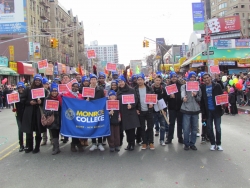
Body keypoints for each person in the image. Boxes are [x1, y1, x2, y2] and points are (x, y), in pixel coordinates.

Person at [21, 74, 49, 154]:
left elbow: (47, 101)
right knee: (28, 131)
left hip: (38, 112)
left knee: (38, 130)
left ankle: (37, 147)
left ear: (41, 82)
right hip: (29, 112)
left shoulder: (44, 90)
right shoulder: (28, 89)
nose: (37, 82)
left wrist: (41, 102)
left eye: (39, 80)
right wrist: (29, 102)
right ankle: (29, 146)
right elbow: (22, 99)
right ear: (34, 81)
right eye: (36, 80)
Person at [200, 73, 224, 151]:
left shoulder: (217, 86)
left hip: (216, 110)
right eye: (204, 78)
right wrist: (203, 113)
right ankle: (213, 143)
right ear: (203, 80)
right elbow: (202, 102)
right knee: (209, 128)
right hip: (208, 111)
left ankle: (219, 143)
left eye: (207, 77)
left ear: (210, 78)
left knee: (218, 128)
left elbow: (221, 96)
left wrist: (223, 105)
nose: (206, 79)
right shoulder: (202, 87)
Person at [117, 75, 140, 151]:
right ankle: (128, 143)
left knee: (131, 129)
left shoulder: (131, 90)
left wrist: (132, 105)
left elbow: (136, 99)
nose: (121, 83)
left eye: (122, 81)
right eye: (119, 82)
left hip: (131, 112)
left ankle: (132, 143)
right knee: (126, 129)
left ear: (125, 82)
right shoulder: (118, 91)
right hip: (123, 112)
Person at [181, 72, 202, 151]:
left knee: (194, 128)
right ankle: (186, 143)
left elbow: (199, 98)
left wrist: (196, 95)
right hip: (186, 109)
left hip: (195, 110)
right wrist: (184, 98)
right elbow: (182, 94)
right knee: (186, 128)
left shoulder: (198, 88)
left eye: (194, 77)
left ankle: (192, 143)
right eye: (191, 77)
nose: (192, 78)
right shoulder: (184, 86)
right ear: (188, 78)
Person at [135, 73, 155, 150]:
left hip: (149, 111)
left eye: (141, 80)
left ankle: (151, 142)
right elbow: (134, 101)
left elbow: (154, 98)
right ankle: (144, 143)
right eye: (138, 80)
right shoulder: (135, 89)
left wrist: (152, 103)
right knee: (142, 128)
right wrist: (136, 109)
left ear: (144, 80)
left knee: (150, 127)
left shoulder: (149, 88)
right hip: (140, 111)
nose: (139, 81)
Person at [63, 82, 84, 152]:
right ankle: (77, 144)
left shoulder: (80, 96)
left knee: (78, 129)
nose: (75, 88)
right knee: (73, 129)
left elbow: (83, 104)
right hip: (71, 115)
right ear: (71, 87)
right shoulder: (66, 94)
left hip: (78, 115)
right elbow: (61, 101)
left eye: (77, 87)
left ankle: (74, 143)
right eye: (74, 86)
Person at [87, 74, 106, 151]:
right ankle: (94, 143)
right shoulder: (86, 89)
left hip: (99, 110)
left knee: (99, 126)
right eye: (92, 79)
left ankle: (100, 143)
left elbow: (103, 100)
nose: (93, 81)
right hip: (90, 111)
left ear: (96, 80)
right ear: (90, 81)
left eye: (95, 79)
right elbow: (83, 100)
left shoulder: (100, 89)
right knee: (92, 127)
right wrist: (86, 100)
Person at [43, 83, 62, 155]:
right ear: (50, 92)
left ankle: (56, 147)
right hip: (52, 120)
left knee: (58, 133)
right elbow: (45, 111)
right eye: (53, 91)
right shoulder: (47, 99)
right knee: (54, 134)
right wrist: (50, 112)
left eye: (55, 91)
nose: (54, 92)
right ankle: (56, 148)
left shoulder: (60, 98)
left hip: (59, 118)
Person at [166, 72, 183, 144]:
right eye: (172, 77)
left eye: (175, 77)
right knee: (171, 123)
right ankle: (169, 138)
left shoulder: (181, 86)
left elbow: (183, 95)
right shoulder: (168, 86)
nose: (174, 78)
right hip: (171, 108)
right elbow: (165, 97)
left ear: (177, 77)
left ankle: (180, 137)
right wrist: (169, 96)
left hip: (180, 107)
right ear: (170, 78)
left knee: (180, 123)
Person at [151, 75, 169, 146]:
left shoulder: (163, 89)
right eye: (156, 80)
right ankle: (150, 141)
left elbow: (166, 100)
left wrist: (164, 110)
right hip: (153, 110)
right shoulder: (150, 89)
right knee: (151, 126)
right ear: (154, 80)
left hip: (162, 110)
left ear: (161, 81)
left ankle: (162, 140)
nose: (157, 81)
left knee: (163, 126)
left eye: (159, 80)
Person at [12, 82, 26, 152]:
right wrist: (13, 107)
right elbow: (13, 104)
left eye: (22, 87)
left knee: (27, 130)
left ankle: (28, 144)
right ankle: (21, 145)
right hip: (18, 115)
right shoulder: (15, 95)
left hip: (26, 115)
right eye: (19, 88)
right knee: (20, 130)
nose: (20, 89)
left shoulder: (26, 95)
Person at [41, 77, 52, 146]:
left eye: (47, 84)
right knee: (44, 123)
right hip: (42, 109)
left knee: (50, 123)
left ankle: (52, 139)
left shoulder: (50, 91)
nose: (46, 85)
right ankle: (44, 139)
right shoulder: (40, 91)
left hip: (49, 108)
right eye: (44, 84)